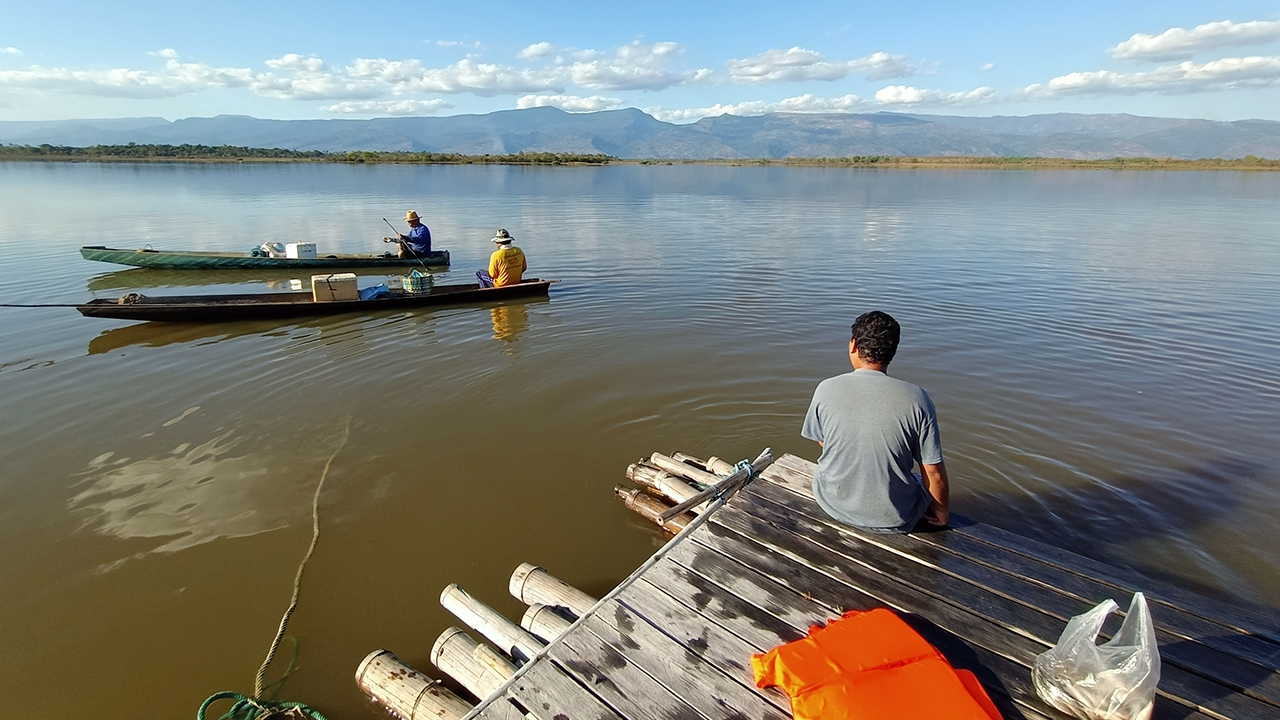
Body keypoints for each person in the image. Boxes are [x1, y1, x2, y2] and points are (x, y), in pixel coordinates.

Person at [801, 311, 950, 533]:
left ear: (853, 345)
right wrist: (941, 511)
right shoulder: (918, 398)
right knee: (918, 479)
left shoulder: (826, 388)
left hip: (831, 503)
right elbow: (933, 472)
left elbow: (824, 442)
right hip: (895, 519)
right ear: (893, 352)